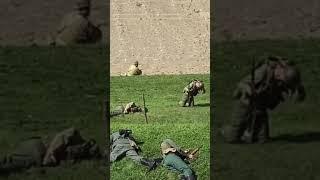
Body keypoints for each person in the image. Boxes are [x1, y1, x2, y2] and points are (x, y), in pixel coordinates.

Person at [222, 56, 306, 143]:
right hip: (245, 105)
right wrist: (250, 91)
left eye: (283, 81)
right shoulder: (263, 72)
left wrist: (298, 92)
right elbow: (241, 84)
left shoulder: (286, 76)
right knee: (232, 138)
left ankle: (248, 131)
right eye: (281, 78)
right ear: (280, 69)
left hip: (260, 109)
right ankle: (226, 129)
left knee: (262, 140)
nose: (280, 80)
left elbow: (296, 87)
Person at [0, 127, 100, 175]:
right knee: (17, 163)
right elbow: (61, 136)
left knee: (13, 160)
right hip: (39, 148)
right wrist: (50, 155)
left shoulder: (75, 154)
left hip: (37, 150)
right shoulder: (74, 136)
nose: (78, 151)